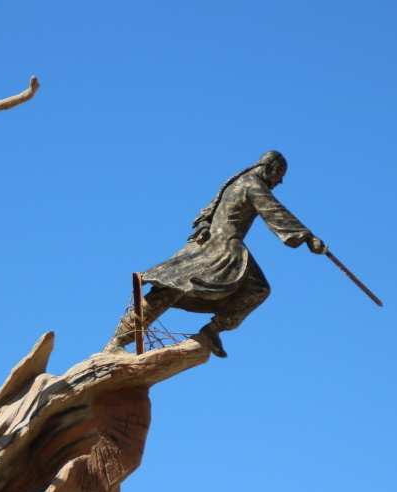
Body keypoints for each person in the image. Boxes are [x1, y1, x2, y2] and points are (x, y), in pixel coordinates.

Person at [104, 150, 327, 358]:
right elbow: (273, 211)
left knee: (175, 288)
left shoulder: (235, 182)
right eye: (279, 174)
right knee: (179, 288)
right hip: (222, 248)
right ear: (268, 167)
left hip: (213, 245)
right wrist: (307, 237)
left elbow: (207, 211)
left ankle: (211, 331)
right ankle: (118, 342)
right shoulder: (252, 183)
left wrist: (203, 226)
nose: (280, 181)